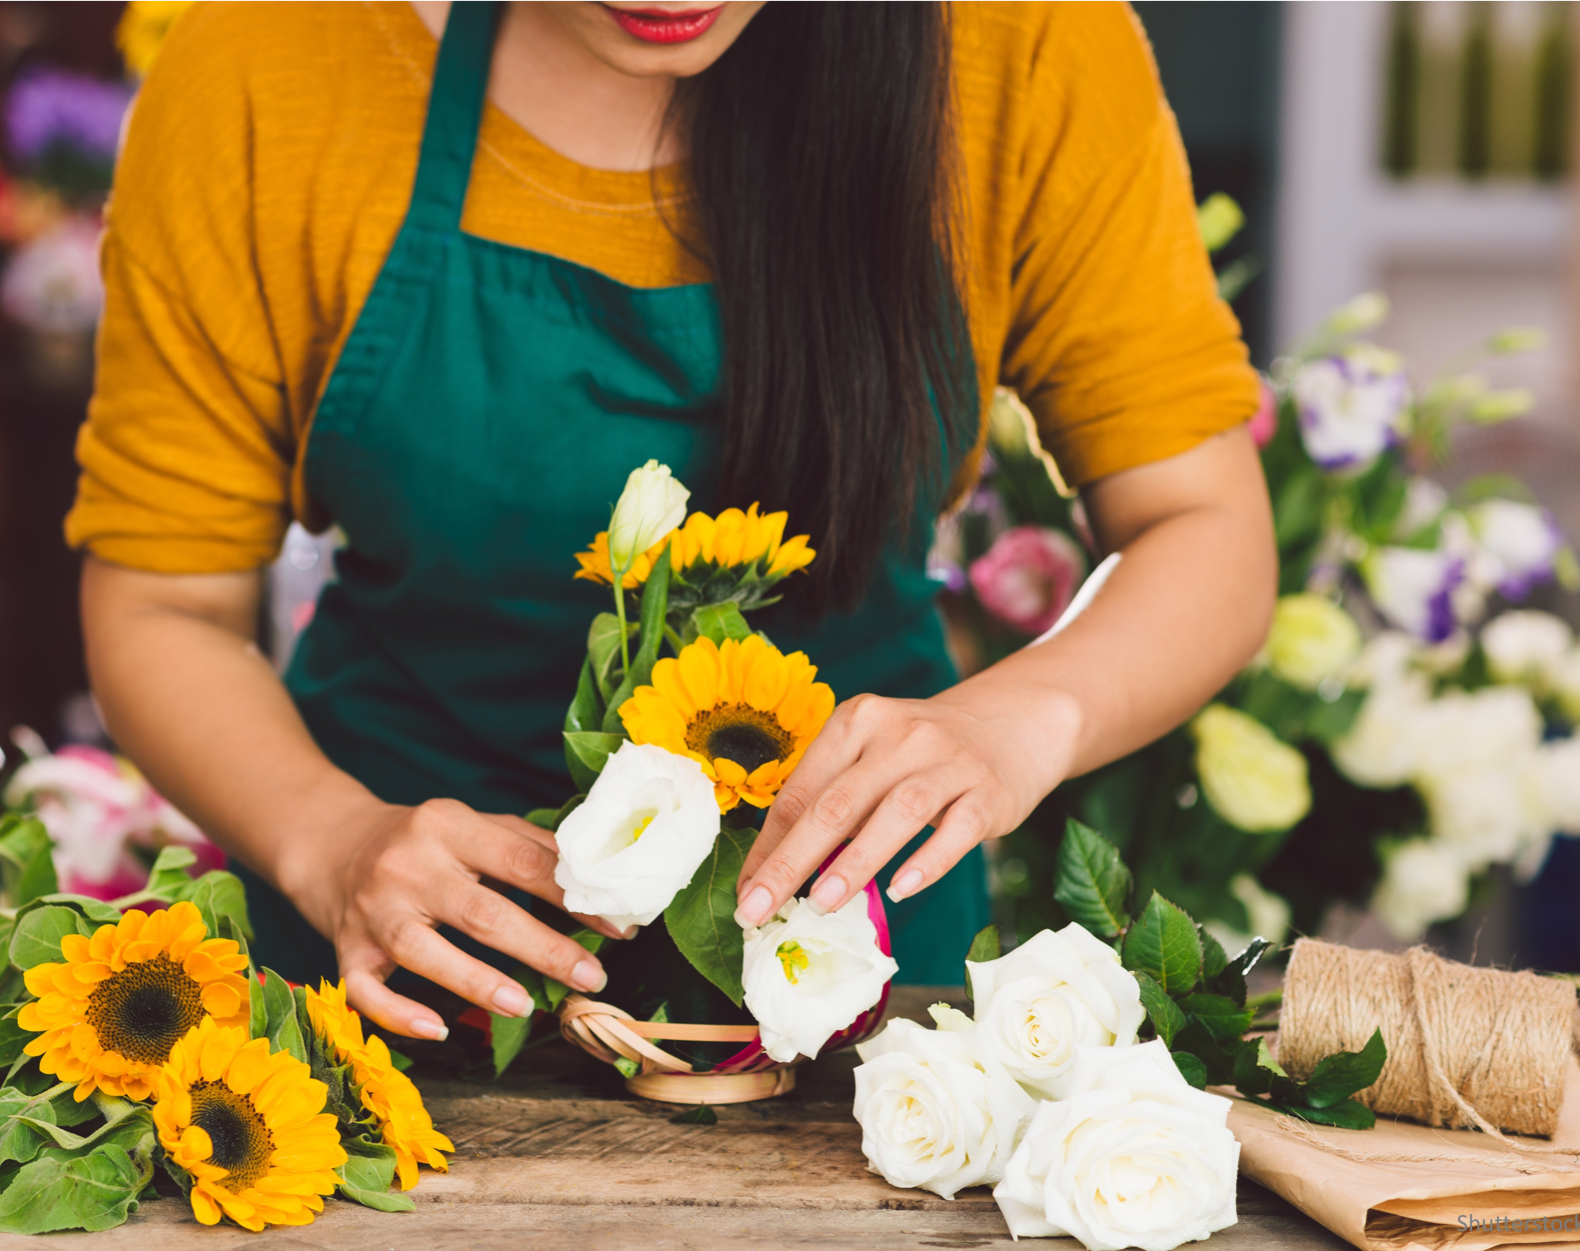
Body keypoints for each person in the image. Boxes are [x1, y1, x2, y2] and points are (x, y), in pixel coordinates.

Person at [69, 1, 1275, 1043]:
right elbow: (165, 603)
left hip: (862, 993)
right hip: (395, 975)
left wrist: (1017, 723)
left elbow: (1200, 520)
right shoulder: (270, 60)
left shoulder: (1020, 44)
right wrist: (329, 840)